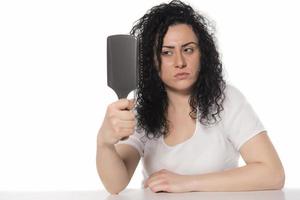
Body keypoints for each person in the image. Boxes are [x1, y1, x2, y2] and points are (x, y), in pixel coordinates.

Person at [96, 0, 285, 194]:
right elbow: (115, 184)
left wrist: (186, 183)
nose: (180, 62)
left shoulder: (226, 99)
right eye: (167, 52)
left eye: (188, 49)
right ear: (151, 61)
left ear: (202, 54)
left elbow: (272, 173)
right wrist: (104, 143)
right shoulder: (141, 110)